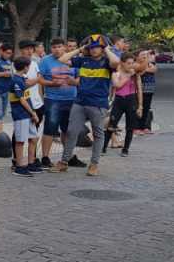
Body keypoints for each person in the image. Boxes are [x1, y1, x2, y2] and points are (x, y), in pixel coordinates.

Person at [51, 35, 121, 176]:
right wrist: (80, 49)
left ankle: (94, 164)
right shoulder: (83, 60)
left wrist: (106, 49)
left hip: (98, 104)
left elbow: (116, 62)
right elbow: (62, 60)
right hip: (80, 102)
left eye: (97, 47)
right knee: (71, 131)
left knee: (98, 134)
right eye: (92, 47)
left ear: (102, 48)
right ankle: (64, 162)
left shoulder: (107, 62)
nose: (94, 50)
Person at [38, 38, 86, 168]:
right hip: (53, 99)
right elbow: (39, 79)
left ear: (64, 47)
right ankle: (45, 158)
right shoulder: (45, 61)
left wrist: (74, 82)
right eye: (54, 47)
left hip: (71, 99)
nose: (57, 49)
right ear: (50, 49)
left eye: (59, 46)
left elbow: (80, 78)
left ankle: (68, 157)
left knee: (68, 130)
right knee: (50, 128)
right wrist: (51, 83)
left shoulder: (73, 60)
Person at [103, 53, 143, 157]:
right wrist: (128, 76)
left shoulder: (135, 75)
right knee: (111, 125)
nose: (131, 66)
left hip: (131, 100)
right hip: (119, 100)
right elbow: (117, 85)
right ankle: (103, 147)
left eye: (132, 63)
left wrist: (140, 106)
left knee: (130, 127)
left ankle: (126, 149)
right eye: (128, 63)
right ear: (122, 63)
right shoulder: (116, 74)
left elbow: (139, 90)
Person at [9, 57, 40, 177]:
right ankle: (19, 166)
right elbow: (21, 100)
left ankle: (30, 163)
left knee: (34, 138)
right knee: (20, 141)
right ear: (26, 67)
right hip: (20, 114)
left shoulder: (22, 78)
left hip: (27, 114)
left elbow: (27, 94)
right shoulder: (16, 80)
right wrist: (33, 113)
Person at [16, 40, 45, 171]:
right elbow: (25, 84)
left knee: (34, 135)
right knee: (20, 137)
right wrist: (38, 78)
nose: (29, 51)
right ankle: (18, 162)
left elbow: (38, 84)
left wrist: (41, 100)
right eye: (26, 49)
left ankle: (31, 161)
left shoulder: (34, 63)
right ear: (21, 50)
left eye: (31, 49)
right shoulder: (17, 64)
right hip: (23, 105)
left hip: (37, 103)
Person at [0, 44, 14, 137]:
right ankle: (0, 136)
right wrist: (3, 74)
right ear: (1, 51)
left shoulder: (8, 61)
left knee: (2, 114)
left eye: (10, 53)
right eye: (7, 53)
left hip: (6, 91)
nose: (9, 55)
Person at [136, 49, 157, 135]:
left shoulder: (150, 63)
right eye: (143, 55)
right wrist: (145, 68)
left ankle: (144, 127)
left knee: (146, 109)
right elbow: (140, 73)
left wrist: (146, 68)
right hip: (140, 90)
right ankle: (137, 127)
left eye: (146, 55)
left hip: (149, 89)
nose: (145, 56)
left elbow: (154, 69)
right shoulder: (137, 64)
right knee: (139, 108)